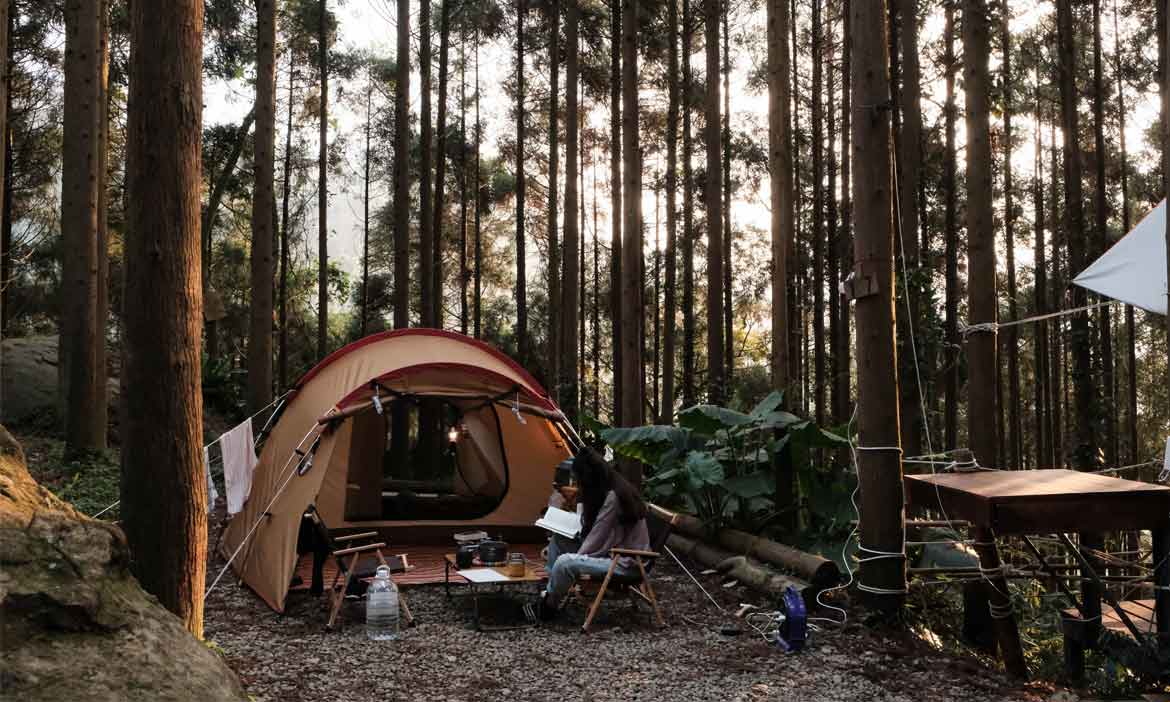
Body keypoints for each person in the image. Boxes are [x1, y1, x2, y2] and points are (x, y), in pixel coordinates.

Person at [538, 447, 650, 619]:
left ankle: (550, 602)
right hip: (613, 551)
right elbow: (598, 533)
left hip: (624, 561)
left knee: (565, 562)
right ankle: (551, 588)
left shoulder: (614, 497)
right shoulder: (613, 487)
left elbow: (598, 535)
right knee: (559, 539)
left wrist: (577, 559)